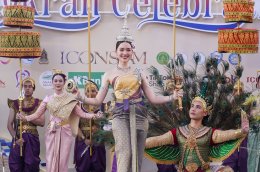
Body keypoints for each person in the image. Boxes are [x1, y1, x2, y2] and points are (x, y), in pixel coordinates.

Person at [76, 18, 183, 172]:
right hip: (120, 114)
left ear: (132, 52)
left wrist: (172, 97)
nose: (125, 53)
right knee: (124, 151)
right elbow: (98, 100)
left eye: (128, 50)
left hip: (139, 114)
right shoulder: (109, 74)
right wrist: (80, 97)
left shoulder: (140, 72)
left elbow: (152, 98)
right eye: (122, 50)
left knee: (137, 154)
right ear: (116, 53)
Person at [17, 69, 102, 172]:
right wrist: (25, 118)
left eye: (60, 81)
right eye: (55, 81)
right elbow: (37, 114)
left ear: (64, 83)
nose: (58, 83)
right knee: (51, 159)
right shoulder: (48, 98)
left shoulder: (71, 99)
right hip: (51, 132)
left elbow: (82, 114)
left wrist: (94, 116)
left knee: (62, 160)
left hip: (65, 131)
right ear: (52, 83)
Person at [145, 94, 249, 172]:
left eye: (198, 107)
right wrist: (139, 142)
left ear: (205, 113)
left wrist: (241, 131)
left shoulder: (209, 132)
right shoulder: (178, 132)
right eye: (192, 106)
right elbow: (156, 140)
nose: (193, 109)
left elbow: (226, 135)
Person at [7, 77, 44, 172]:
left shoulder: (39, 103)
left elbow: (42, 122)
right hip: (18, 138)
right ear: (22, 88)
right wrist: (16, 138)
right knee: (16, 165)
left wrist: (27, 117)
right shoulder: (15, 104)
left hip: (32, 138)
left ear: (33, 88)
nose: (27, 88)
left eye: (30, 86)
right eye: (25, 86)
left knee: (31, 164)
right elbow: (9, 125)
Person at [74, 80, 106, 172]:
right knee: (83, 167)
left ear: (97, 92)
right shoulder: (78, 107)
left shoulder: (103, 107)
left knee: (99, 167)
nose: (90, 93)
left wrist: (99, 131)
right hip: (83, 142)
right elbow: (75, 126)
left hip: (98, 143)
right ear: (84, 92)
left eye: (93, 91)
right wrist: (85, 139)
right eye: (88, 91)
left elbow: (108, 126)